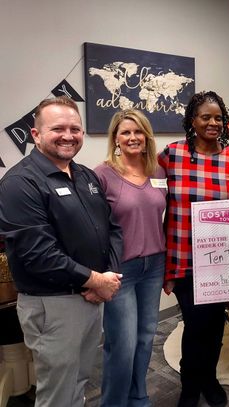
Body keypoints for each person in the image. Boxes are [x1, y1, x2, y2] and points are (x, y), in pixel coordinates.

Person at [0, 96, 123, 407]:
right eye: (58, 129)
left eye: (75, 129)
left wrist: (106, 279)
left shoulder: (85, 175)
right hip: (53, 305)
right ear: (36, 134)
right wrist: (95, 281)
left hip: (91, 297)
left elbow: (111, 229)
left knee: (80, 380)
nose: (68, 136)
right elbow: (38, 254)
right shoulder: (19, 183)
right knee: (57, 392)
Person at [159, 91, 229, 407]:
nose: (212, 123)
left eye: (218, 117)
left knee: (215, 327)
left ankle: (209, 378)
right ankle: (190, 386)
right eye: (205, 117)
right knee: (195, 326)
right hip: (184, 260)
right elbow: (150, 194)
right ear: (192, 120)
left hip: (222, 262)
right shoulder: (172, 156)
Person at [94, 109, 167, 407]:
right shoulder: (102, 174)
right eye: (125, 132)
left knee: (146, 337)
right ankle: (113, 402)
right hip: (121, 270)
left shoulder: (158, 171)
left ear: (147, 136)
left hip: (155, 265)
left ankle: (139, 397)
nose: (133, 137)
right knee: (121, 344)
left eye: (138, 132)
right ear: (115, 138)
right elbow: (94, 227)